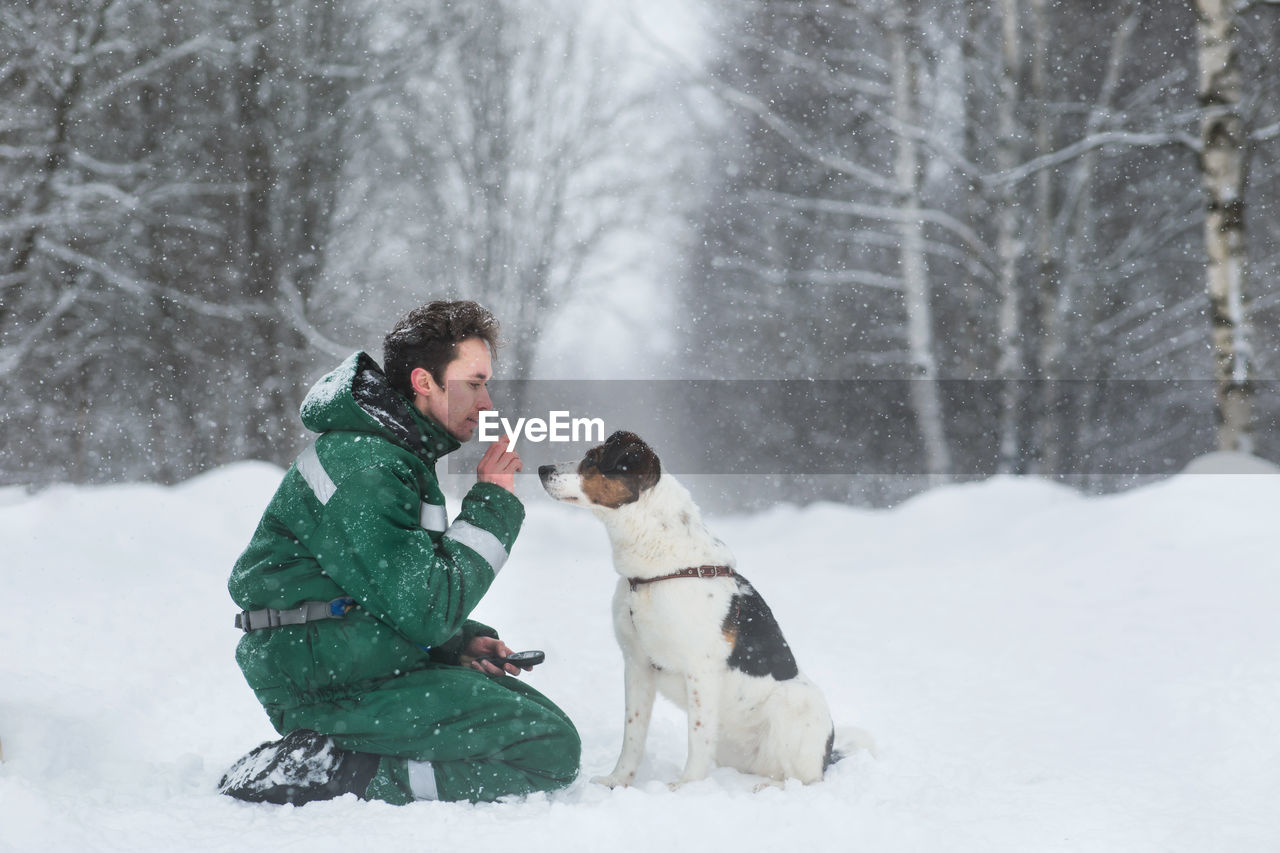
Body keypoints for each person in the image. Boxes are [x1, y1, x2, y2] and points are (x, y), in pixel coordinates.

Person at [218, 300, 580, 805]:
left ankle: (344, 755)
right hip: (326, 680)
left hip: (348, 654)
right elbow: (427, 608)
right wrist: (493, 504)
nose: (487, 402)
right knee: (548, 748)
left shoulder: (394, 453)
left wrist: (457, 643)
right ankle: (337, 771)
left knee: (536, 721)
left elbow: (392, 588)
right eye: (474, 383)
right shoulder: (369, 467)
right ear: (423, 381)